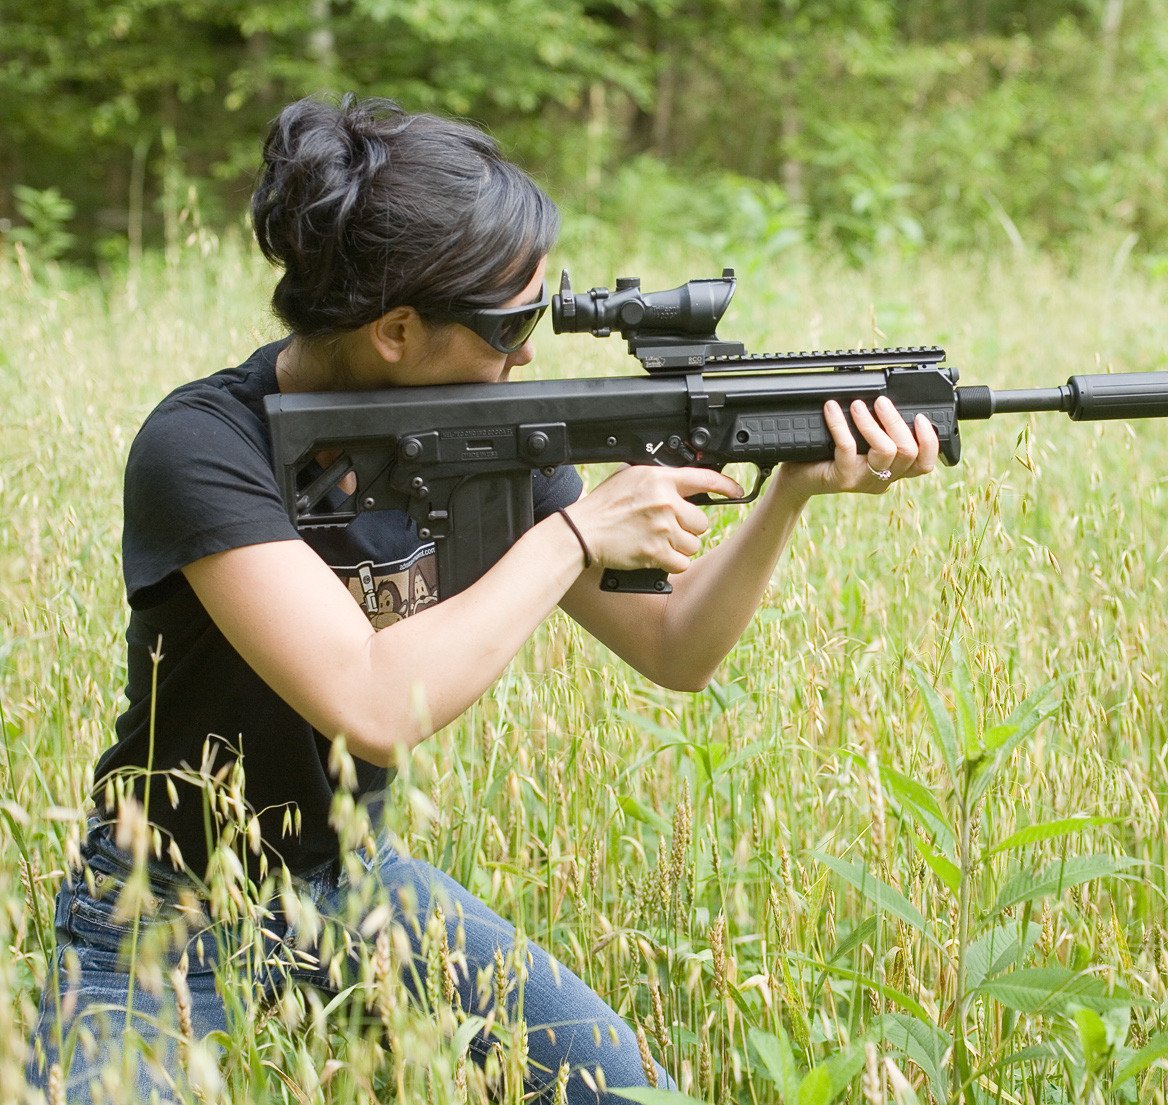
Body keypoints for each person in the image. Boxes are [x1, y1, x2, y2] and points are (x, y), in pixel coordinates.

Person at [27, 94, 940, 1103]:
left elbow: (676, 648)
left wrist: (792, 487)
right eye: (510, 324)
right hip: (158, 916)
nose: (531, 352)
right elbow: (372, 703)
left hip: (354, 886)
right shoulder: (204, 446)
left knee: (624, 1086)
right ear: (398, 328)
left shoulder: (489, 438)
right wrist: (577, 532)